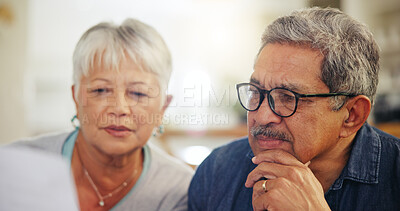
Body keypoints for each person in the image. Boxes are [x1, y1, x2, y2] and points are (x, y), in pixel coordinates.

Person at [188, 7, 400, 211]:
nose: (261, 117)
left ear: (352, 115)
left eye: (288, 98)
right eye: (255, 91)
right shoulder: (217, 172)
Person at [11, 18, 193, 210]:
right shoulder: (15, 165)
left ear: (162, 108)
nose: (119, 109)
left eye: (138, 93)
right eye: (101, 91)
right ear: (76, 98)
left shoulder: (179, 189)